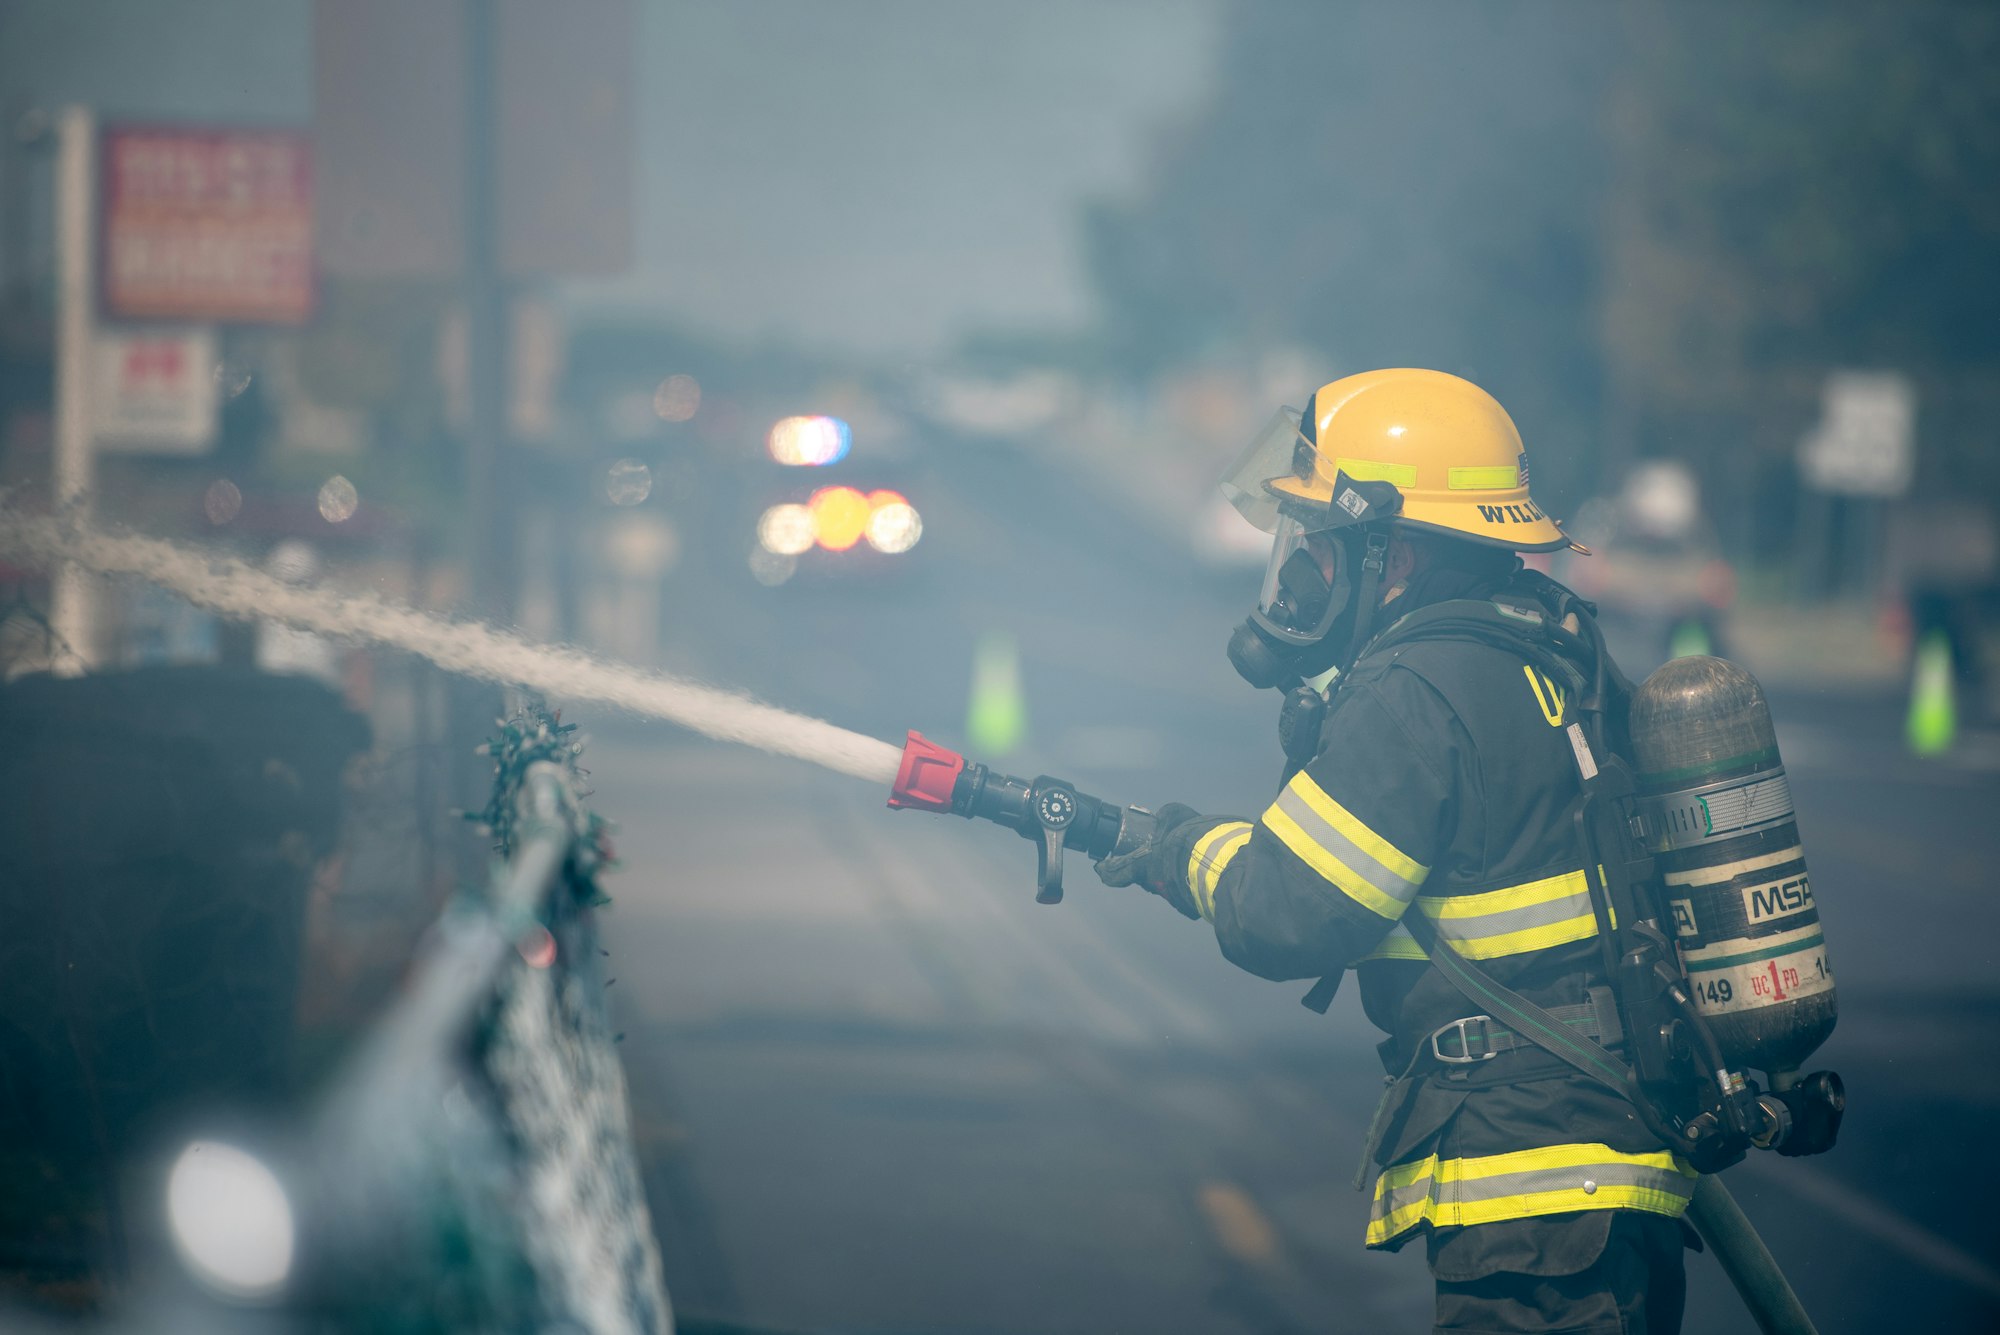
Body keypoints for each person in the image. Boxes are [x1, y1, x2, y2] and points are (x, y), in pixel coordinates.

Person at [1097, 368, 1696, 1334]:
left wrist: (1185, 850)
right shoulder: (1558, 646)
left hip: (1523, 1184)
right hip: (1617, 1166)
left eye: (1324, 548)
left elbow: (1285, 913)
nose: (1302, 574)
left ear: (1398, 552)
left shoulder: (1412, 688)